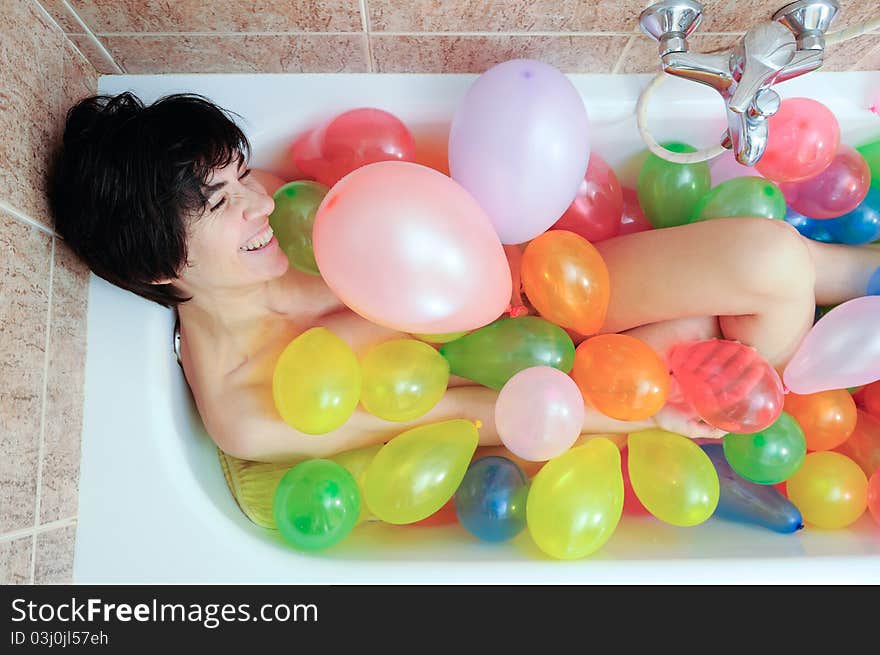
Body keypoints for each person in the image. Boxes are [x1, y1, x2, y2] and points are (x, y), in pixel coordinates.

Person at [49, 92, 880, 464]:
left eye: (243, 175)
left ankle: (858, 277)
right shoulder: (246, 406)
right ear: (162, 262)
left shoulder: (279, 218)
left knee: (771, 254)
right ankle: (818, 358)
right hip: (532, 376)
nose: (262, 202)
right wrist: (642, 419)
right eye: (226, 202)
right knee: (715, 349)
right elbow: (462, 412)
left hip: (550, 276)